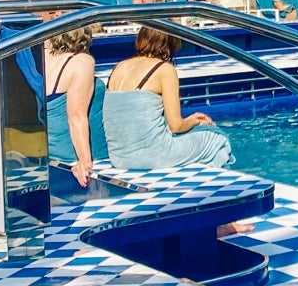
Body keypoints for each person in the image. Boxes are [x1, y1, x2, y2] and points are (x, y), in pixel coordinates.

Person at [103, 27, 232, 169]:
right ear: (171, 43)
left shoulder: (119, 67)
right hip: (153, 156)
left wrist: (190, 119)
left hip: (119, 160)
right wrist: (196, 122)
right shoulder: (164, 69)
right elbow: (176, 126)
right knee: (216, 138)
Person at [45, 18, 106, 187]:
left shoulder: (44, 57)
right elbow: (76, 116)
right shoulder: (82, 61)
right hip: (73, 153)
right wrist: (84, 160)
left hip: (50, 149)